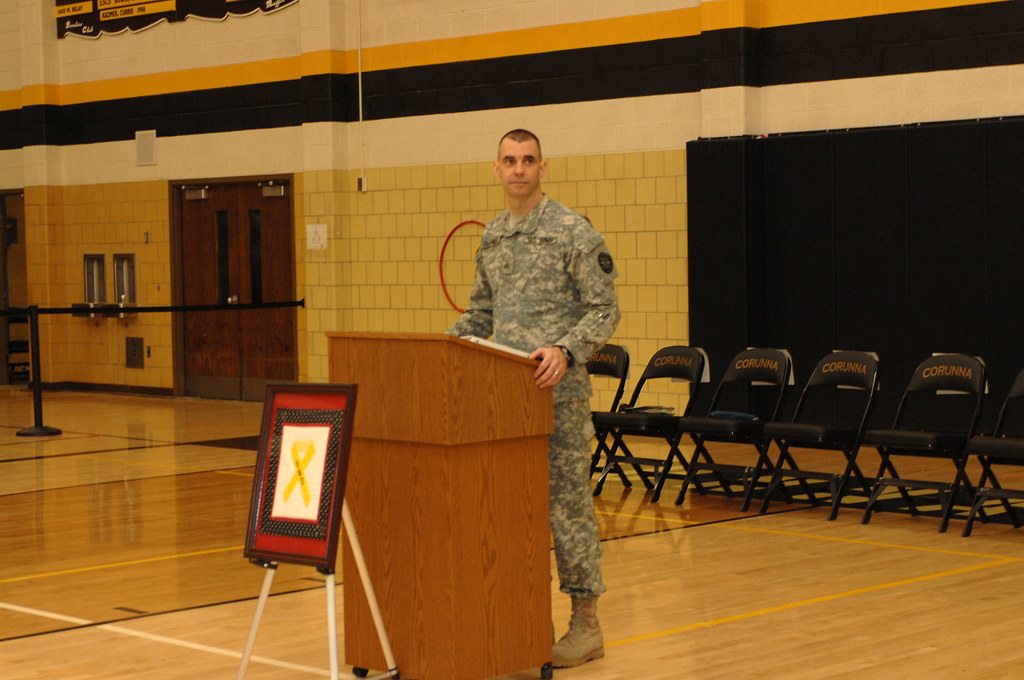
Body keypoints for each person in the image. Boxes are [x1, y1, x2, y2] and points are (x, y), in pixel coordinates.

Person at [446, 129, 620, 668]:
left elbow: (604, 310)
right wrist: (446, 345)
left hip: (556, 399)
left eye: (528, 160)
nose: (518, 169)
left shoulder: (573, 231)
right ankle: (521, 618)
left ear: (543, 168)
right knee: (507, 514)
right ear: (496, 170)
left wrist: (566, 349)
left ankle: (585, 626)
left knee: (566, 511)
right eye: (509, 161)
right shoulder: (494, 236)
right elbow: (482, 313)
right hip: (500, 404)